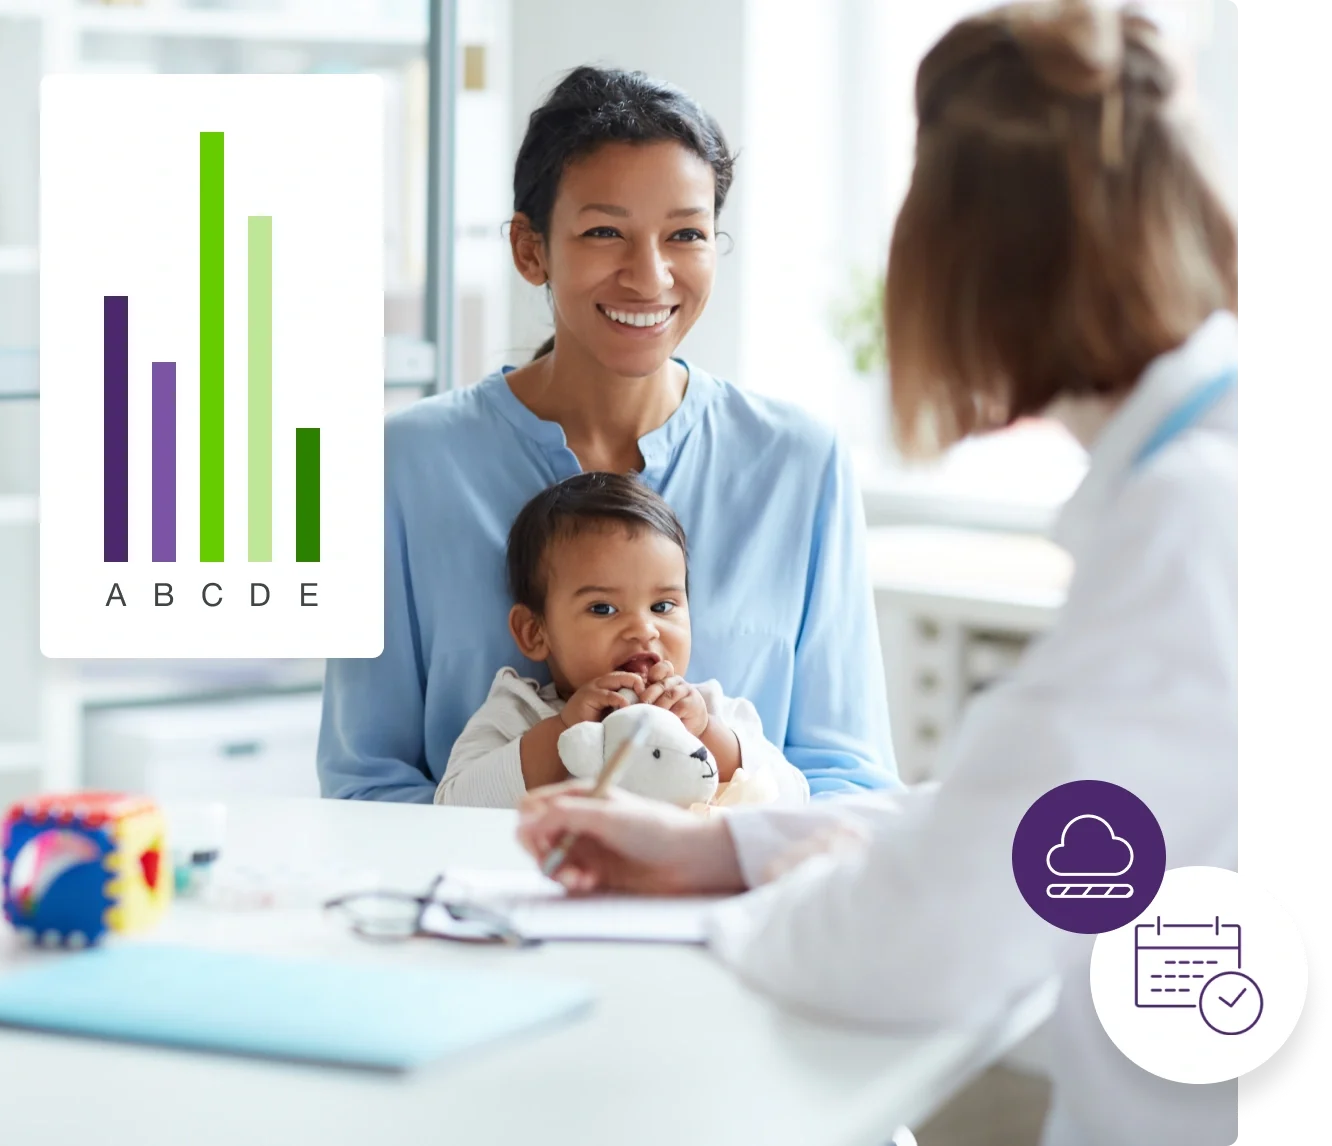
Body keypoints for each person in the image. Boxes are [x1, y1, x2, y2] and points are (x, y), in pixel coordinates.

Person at [516, 5, 1240, 1144]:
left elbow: (946, 929)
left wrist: (755, 903)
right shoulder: (1195, 485)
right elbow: (1044, 816)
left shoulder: (1193, 519)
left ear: (976, 258)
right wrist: (730, 847)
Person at [318, 66, 897, 802]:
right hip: (477, 909)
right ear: (531, 251)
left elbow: (852, 783)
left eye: (685, 233)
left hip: (733, 909)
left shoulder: (801, 464)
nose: (649, 277)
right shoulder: (400, 466)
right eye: (604, 232)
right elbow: (365, 786)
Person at [437, 471, 810, 808]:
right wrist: (563, 731)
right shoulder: (517, 712)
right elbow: (453, 806)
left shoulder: (713, 708)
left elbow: (794, 798)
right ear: (535, 631)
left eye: (662, 606)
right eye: (603, 609)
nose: (643, 629)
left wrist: (708, 735)